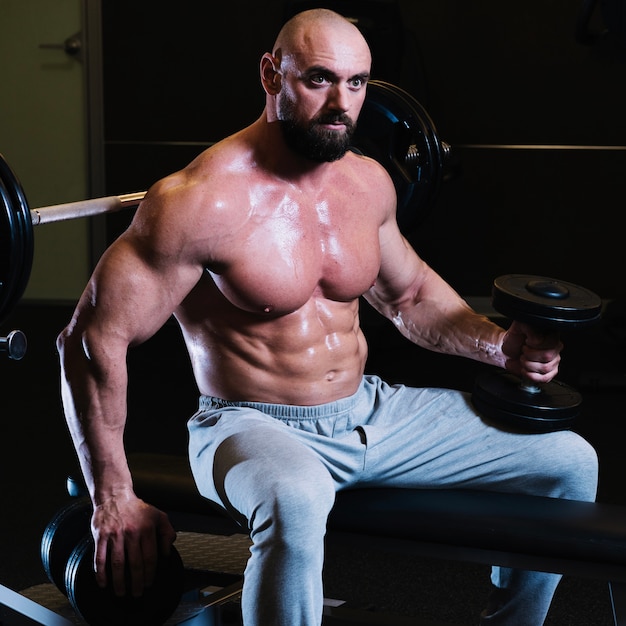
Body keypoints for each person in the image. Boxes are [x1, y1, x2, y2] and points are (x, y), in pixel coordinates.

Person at [57, 8, 598, 626]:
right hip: (251, 426)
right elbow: (91, 340)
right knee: (297, 495)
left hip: (369, 411)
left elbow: (413, 296)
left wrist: (499, 347)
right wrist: (114, 494)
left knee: (568, 461)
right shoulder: (197, 201)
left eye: (357, 82)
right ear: (271, 74)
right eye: (319, 79)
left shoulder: (368, 185)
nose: (341, 102)